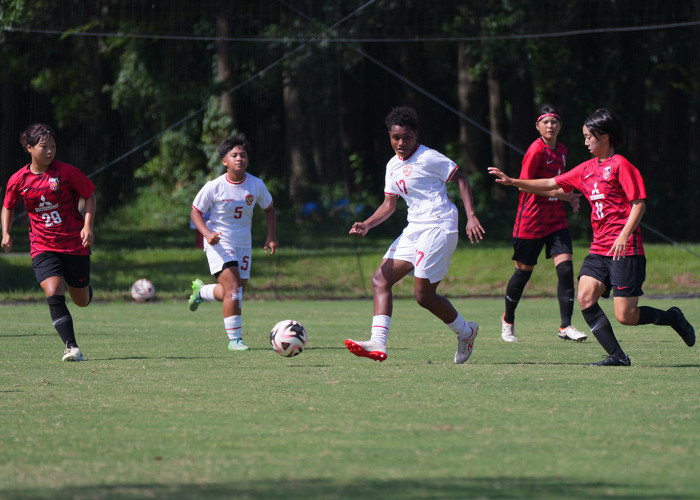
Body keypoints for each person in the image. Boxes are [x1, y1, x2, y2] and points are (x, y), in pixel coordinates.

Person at [488, 108, 695, 366]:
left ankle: (672, 317)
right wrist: (513, 181)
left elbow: (639, 204)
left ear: (604, 137)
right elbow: (551, 182)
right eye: (584, 137)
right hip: (599, 249)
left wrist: (623, 235)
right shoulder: (585, 169)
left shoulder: (621, 166)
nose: (585, 142)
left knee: (626, 315)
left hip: (625, 249)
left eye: (589, 137)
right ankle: (618, 356)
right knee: (585, 297)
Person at [345, 106, 485, 364]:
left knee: (423, 296)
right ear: (389, 135)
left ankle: (466, 332)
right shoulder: (391, 166)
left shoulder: (429, 157)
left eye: (406, 137)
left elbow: (461, 180)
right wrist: (367, 224)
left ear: (416, 135)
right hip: (414, 229)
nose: (401, 143)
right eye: (395, 137)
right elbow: (389, 205)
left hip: (440, 225)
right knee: (380, 279)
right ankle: (378, 341)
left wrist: (471, 216)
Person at [1, 124, 97, 362]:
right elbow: (8, 205)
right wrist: (5, 232)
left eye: (53, 146)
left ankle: (85, 290)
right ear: (30, 148)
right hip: (42, 246)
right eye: (44, 147)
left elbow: (90, 195)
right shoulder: (18, 179)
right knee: (54, 291)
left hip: (74, 244)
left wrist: (87, 226)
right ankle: (72, 347)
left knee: (81, 301)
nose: (50, 151)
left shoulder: (66, 173)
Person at [500, 104, 587, 343]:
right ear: (538, 126)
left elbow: (558, 183)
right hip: (531, 221)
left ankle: (565, 326)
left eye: (555, 121)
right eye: (546, 122)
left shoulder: (562, 150)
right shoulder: (535, 150)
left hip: (556, 220)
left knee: (566, 270)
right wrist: (563, 195)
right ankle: (508, 320)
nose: (551, 126)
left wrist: (569, 196)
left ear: (560, 125)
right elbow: (524, 184)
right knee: (523, 273)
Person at [187, 134, 278, 351]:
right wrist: (207, 235)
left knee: (234, 291)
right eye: (234, 155)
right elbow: (196, 213)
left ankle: (201, 292)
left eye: (243, 155)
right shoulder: (214, 186)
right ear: (224, 161)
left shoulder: (256, 185)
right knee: (234, 289)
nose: (239, 158)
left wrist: (271, 236)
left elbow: (269, 209)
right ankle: (235, 340)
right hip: (219, 242)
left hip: (243, 244)